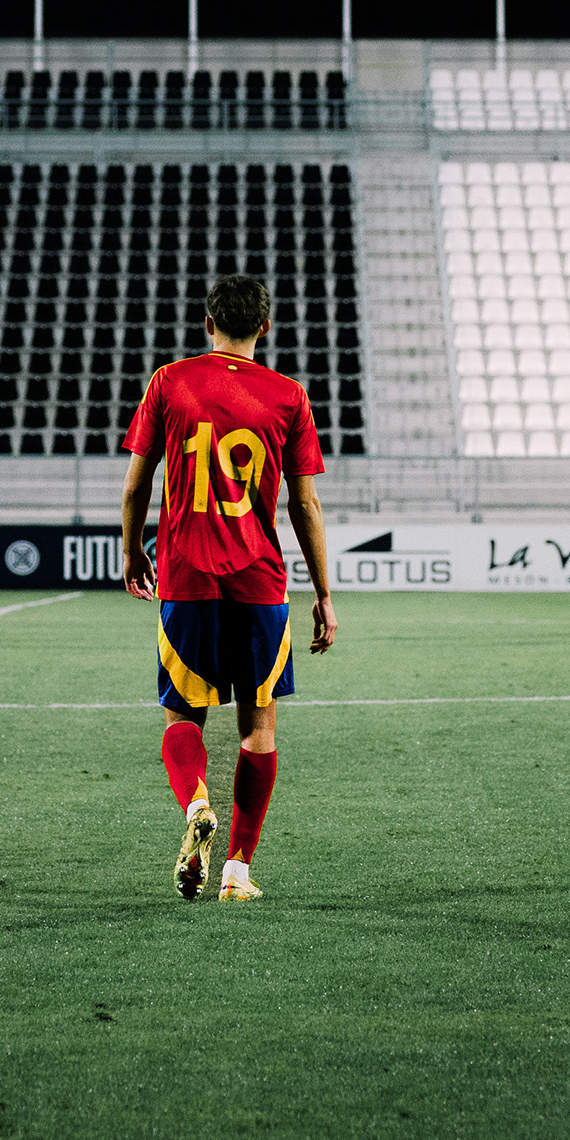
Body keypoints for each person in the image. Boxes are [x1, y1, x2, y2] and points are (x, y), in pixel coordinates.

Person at [121, 274, 337, 903]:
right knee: (257, 728)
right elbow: (305, 503)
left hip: (186, 574)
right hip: (258, 581)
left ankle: (196, 802)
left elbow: (136, 485)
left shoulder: (170, 381)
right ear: (264, 327)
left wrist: (133, 551)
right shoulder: (289, 397)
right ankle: (237, 870)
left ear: (207, 322)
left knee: (181, 715)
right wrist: (324, 593)